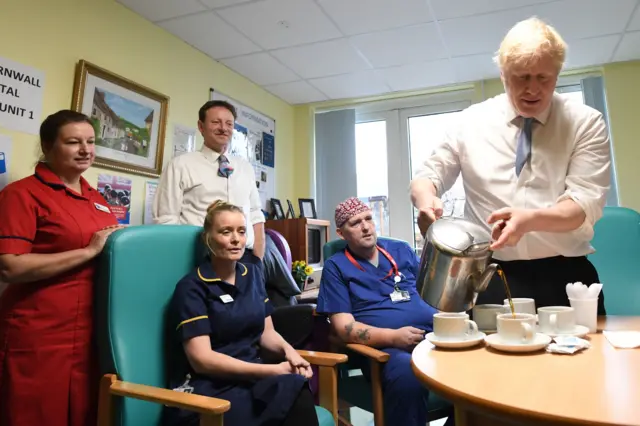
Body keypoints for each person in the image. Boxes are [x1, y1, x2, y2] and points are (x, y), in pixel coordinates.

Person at [410, 17, 610, 315]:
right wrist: (427, 203)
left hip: (566, 277)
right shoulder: (469, 122)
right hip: (487, 277)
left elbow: (582, 206)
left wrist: (529, 220)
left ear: (558, 73)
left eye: (544, 78)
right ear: (503, 75)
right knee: (489, 362)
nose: (533, 89)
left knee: (582, 361)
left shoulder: (585, 122)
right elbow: (428, 175)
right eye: (522, 77)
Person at [0, 110, 122, 426]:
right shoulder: (21, 194)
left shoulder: (96, 198)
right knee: (34, 414)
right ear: (48, 145)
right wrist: (88, 251)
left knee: (83, 414)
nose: (85, 150)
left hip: (88, 332)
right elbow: (10, 267)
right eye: (73, 142)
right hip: (39, 331)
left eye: (91, 142)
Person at [163, 200, 318, 426]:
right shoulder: (192, 287)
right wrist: (271, 371)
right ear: (208, 238)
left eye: (241, 231)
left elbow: (267, 334)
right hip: (209, 388)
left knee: (296, 388)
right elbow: (202, 361)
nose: (236, 239)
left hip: (251, 379)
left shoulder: (253, 274)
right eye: (226, 232)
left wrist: (289, 351)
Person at [316, 197, 453, 426]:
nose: (366, 226)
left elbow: (433, 293)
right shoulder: (336, 266)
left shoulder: (401, 250)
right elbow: (342, 328)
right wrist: (393, 337)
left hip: (435, 339)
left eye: (368, 219)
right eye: (355, 223)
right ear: (341, 233)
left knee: (480, 370)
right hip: (387, 351)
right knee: (408, 375)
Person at [152, 101, 300, 306]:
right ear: (201, 127)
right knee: (234, 313)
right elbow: (167, 220)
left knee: (283, 298)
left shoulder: (244, 167)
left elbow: (256, 215)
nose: (223, 128)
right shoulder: (181, 165)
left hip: (247, 254)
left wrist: (257, 261)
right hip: (208, 255)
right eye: (216, 122)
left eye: (229, 124)